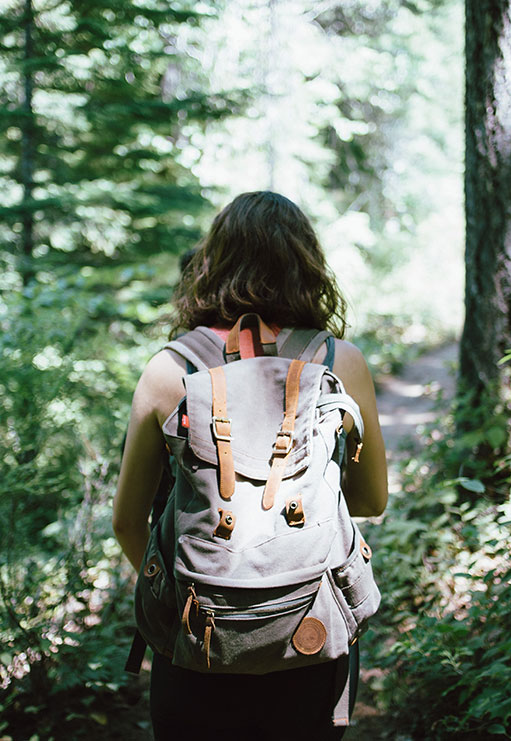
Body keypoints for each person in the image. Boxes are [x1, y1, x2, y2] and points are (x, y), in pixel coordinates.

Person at [113, 191, 388, 740]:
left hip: (197, 641)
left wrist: (189, 588)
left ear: (212, 263)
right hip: (309, 633)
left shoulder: (170, 370)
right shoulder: (339, 361)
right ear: (306, 266)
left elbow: (128, 520)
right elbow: (370, 501)